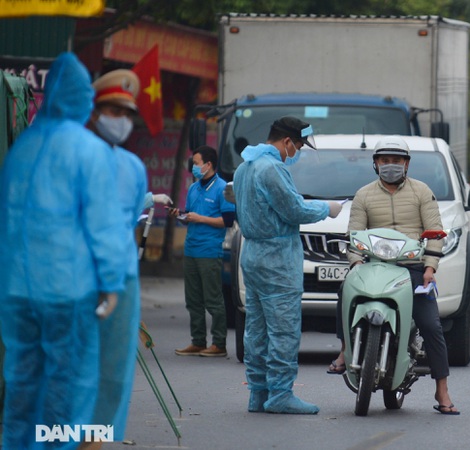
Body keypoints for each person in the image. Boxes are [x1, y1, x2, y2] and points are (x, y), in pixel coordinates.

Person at [0, 52, 127, 449]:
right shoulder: (86, 150)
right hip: (67, 288)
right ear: (83, 99)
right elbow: (103, 225)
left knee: (22, 379)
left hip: (19, 288)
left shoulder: (22, 148)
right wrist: (110, 284)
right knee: (67, 382)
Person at [327, 135, 460, 415]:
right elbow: (353, 237)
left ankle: (442, 390)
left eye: (396, 161)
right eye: (385, 161)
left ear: (407, 164)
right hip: (374, 266)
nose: (391, 166)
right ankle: (344, 349)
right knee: (344, 293)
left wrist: (429, 269)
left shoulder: (422, 192)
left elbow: (435, 232)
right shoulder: (364, 195)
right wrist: (355, 264)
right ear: (375, 164)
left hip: (411, 269)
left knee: (432, 326)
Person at [232, 116, 343, 415]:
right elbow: (294, 209)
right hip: (277, 259)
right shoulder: (272, 169)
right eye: (299, 147)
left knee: (256, 329)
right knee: (283, 330)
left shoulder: (245, 167)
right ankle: (280, 394)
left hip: (252, 254)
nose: (298, 153)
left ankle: (258, 393)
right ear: (286, 142)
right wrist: (327, 209)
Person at [86, 68, 157, 445]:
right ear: (95, 112)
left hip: (122, 278)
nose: (121, 121)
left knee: (113, 373)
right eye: (114, 111)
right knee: (75, 371)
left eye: (127, 114)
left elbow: (129, 225)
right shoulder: (76, 156)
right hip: (80, 277)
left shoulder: (132, 166)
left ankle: (92, 442)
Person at [170, 145, 236, 357]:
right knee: (193, 300)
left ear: (208, 165)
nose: (194, 167)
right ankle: (198, 341)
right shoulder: (193, 188)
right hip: (191, 249)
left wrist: (199, 218)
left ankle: (219, 343)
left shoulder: (222, 188)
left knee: (213, 299)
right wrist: (180, 215)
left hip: (209, 251)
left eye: (196, 163)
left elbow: (227, 221)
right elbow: (189, 216)